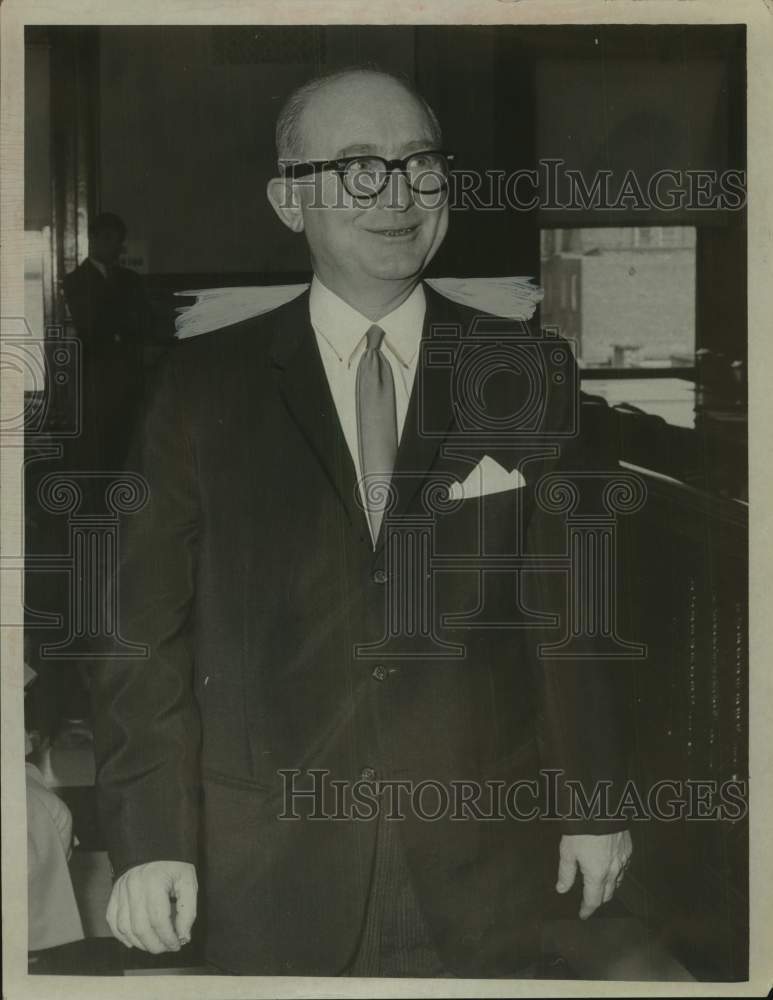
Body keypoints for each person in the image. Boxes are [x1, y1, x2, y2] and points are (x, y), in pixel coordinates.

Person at [89, 67, 633, 977]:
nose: (399, 196)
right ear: (287, 200)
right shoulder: (197, 390)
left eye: (421, 165)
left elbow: (574, 616)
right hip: (264, 850)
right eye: (357, 169)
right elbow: (139, 631)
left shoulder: (526, 371)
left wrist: (596, 803)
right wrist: (150, 836)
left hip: (482, 851)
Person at [63, 212, 154, 472]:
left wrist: (119, 331)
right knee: (99, 449)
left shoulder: (131, 280)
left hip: (130, 376)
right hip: (97, 382)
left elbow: (146, 322)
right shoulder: (76, 281)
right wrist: (125, 329)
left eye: (117, 240)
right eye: (107, 238)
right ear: (92, 239)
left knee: (128, 446)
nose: (113, 246)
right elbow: (92, 329)